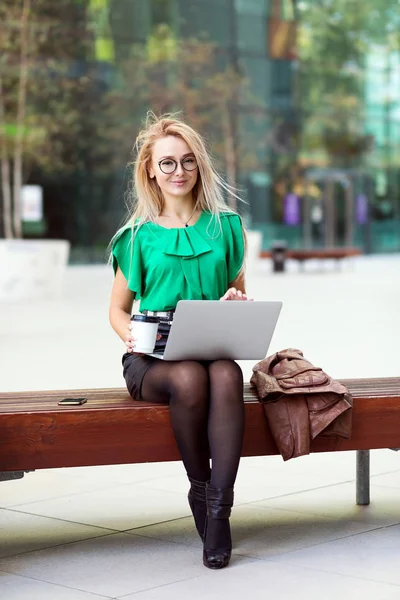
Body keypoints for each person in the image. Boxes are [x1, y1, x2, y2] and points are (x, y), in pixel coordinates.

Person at [109, 114, 251, 570]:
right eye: (167, 163)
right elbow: (117, 309)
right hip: (154, 361)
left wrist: (234, 301)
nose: (178, 172)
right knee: (189, 378)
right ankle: (199, 484)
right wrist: (130, 334)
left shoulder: (226, 227)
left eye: (188, 162)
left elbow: (239, 291)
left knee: (227, 374)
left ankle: (218, 511)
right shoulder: (136, 237)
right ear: (150, 169)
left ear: (199, 167)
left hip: (211, 349)